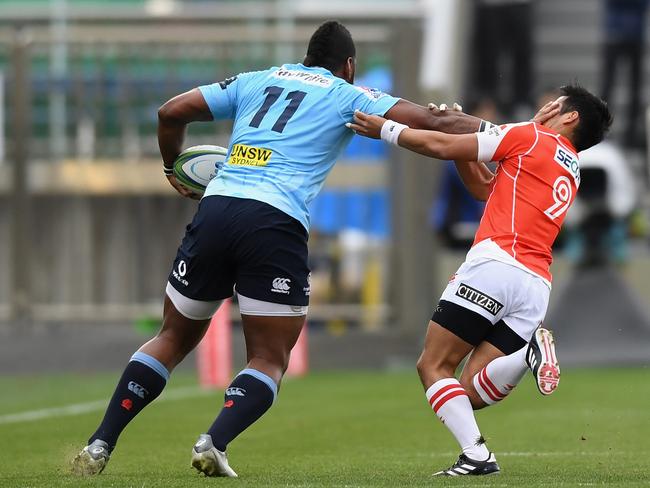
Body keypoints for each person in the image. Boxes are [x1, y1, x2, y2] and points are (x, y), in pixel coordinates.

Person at [71, 20, 503, 478]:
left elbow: (169, 112)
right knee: (269, 357)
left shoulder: (256, 80)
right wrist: (505, 133)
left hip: (217, 208)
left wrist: (171, 169)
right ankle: (213, 441)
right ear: (350, 66)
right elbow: (436, 123)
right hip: (274, 221)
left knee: (172, 337)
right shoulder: (347, 94)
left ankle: (100, 442)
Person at [348, 84, 612, 476]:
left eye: (553, 102)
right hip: (535, 285)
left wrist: (385, 130)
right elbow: (485, 189)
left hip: (496, 264)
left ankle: (489, 430)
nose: (544, 105)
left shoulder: (529, 135)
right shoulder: (570, 167)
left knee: (433, 366)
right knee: (468, 391)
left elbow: (438, 145)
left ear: (569, 116)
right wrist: (463, 138)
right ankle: (481, 444)